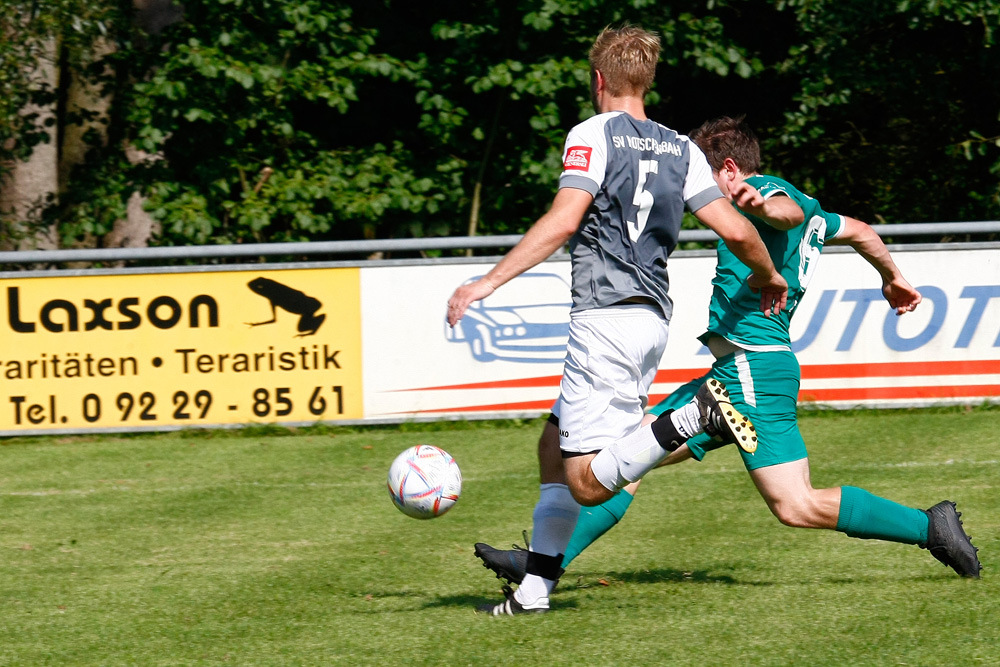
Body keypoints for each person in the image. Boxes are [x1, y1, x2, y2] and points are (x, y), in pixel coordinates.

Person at [474, 115, 982, 597]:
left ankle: (929, 526)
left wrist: (756, 206)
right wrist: (891, 277)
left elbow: (786, 211)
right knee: (626, 458)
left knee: (796, 504)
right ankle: (543, 563)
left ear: (732, 171)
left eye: (706, 177)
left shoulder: (767, 194)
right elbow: (863, 231)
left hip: (750, 372)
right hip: (736, 370)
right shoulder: (813, 213)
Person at [447, 28, 788, 616]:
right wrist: (768, 277)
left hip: (603, 318)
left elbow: (563, 220)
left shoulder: (590, 135)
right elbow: (736, 229)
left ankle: (696, 415)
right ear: (645, 83)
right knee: (553, 444)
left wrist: (486, 282)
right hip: (651, 319)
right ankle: (533, 593)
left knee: (586, 482)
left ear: (599, 80)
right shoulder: (682, 148)